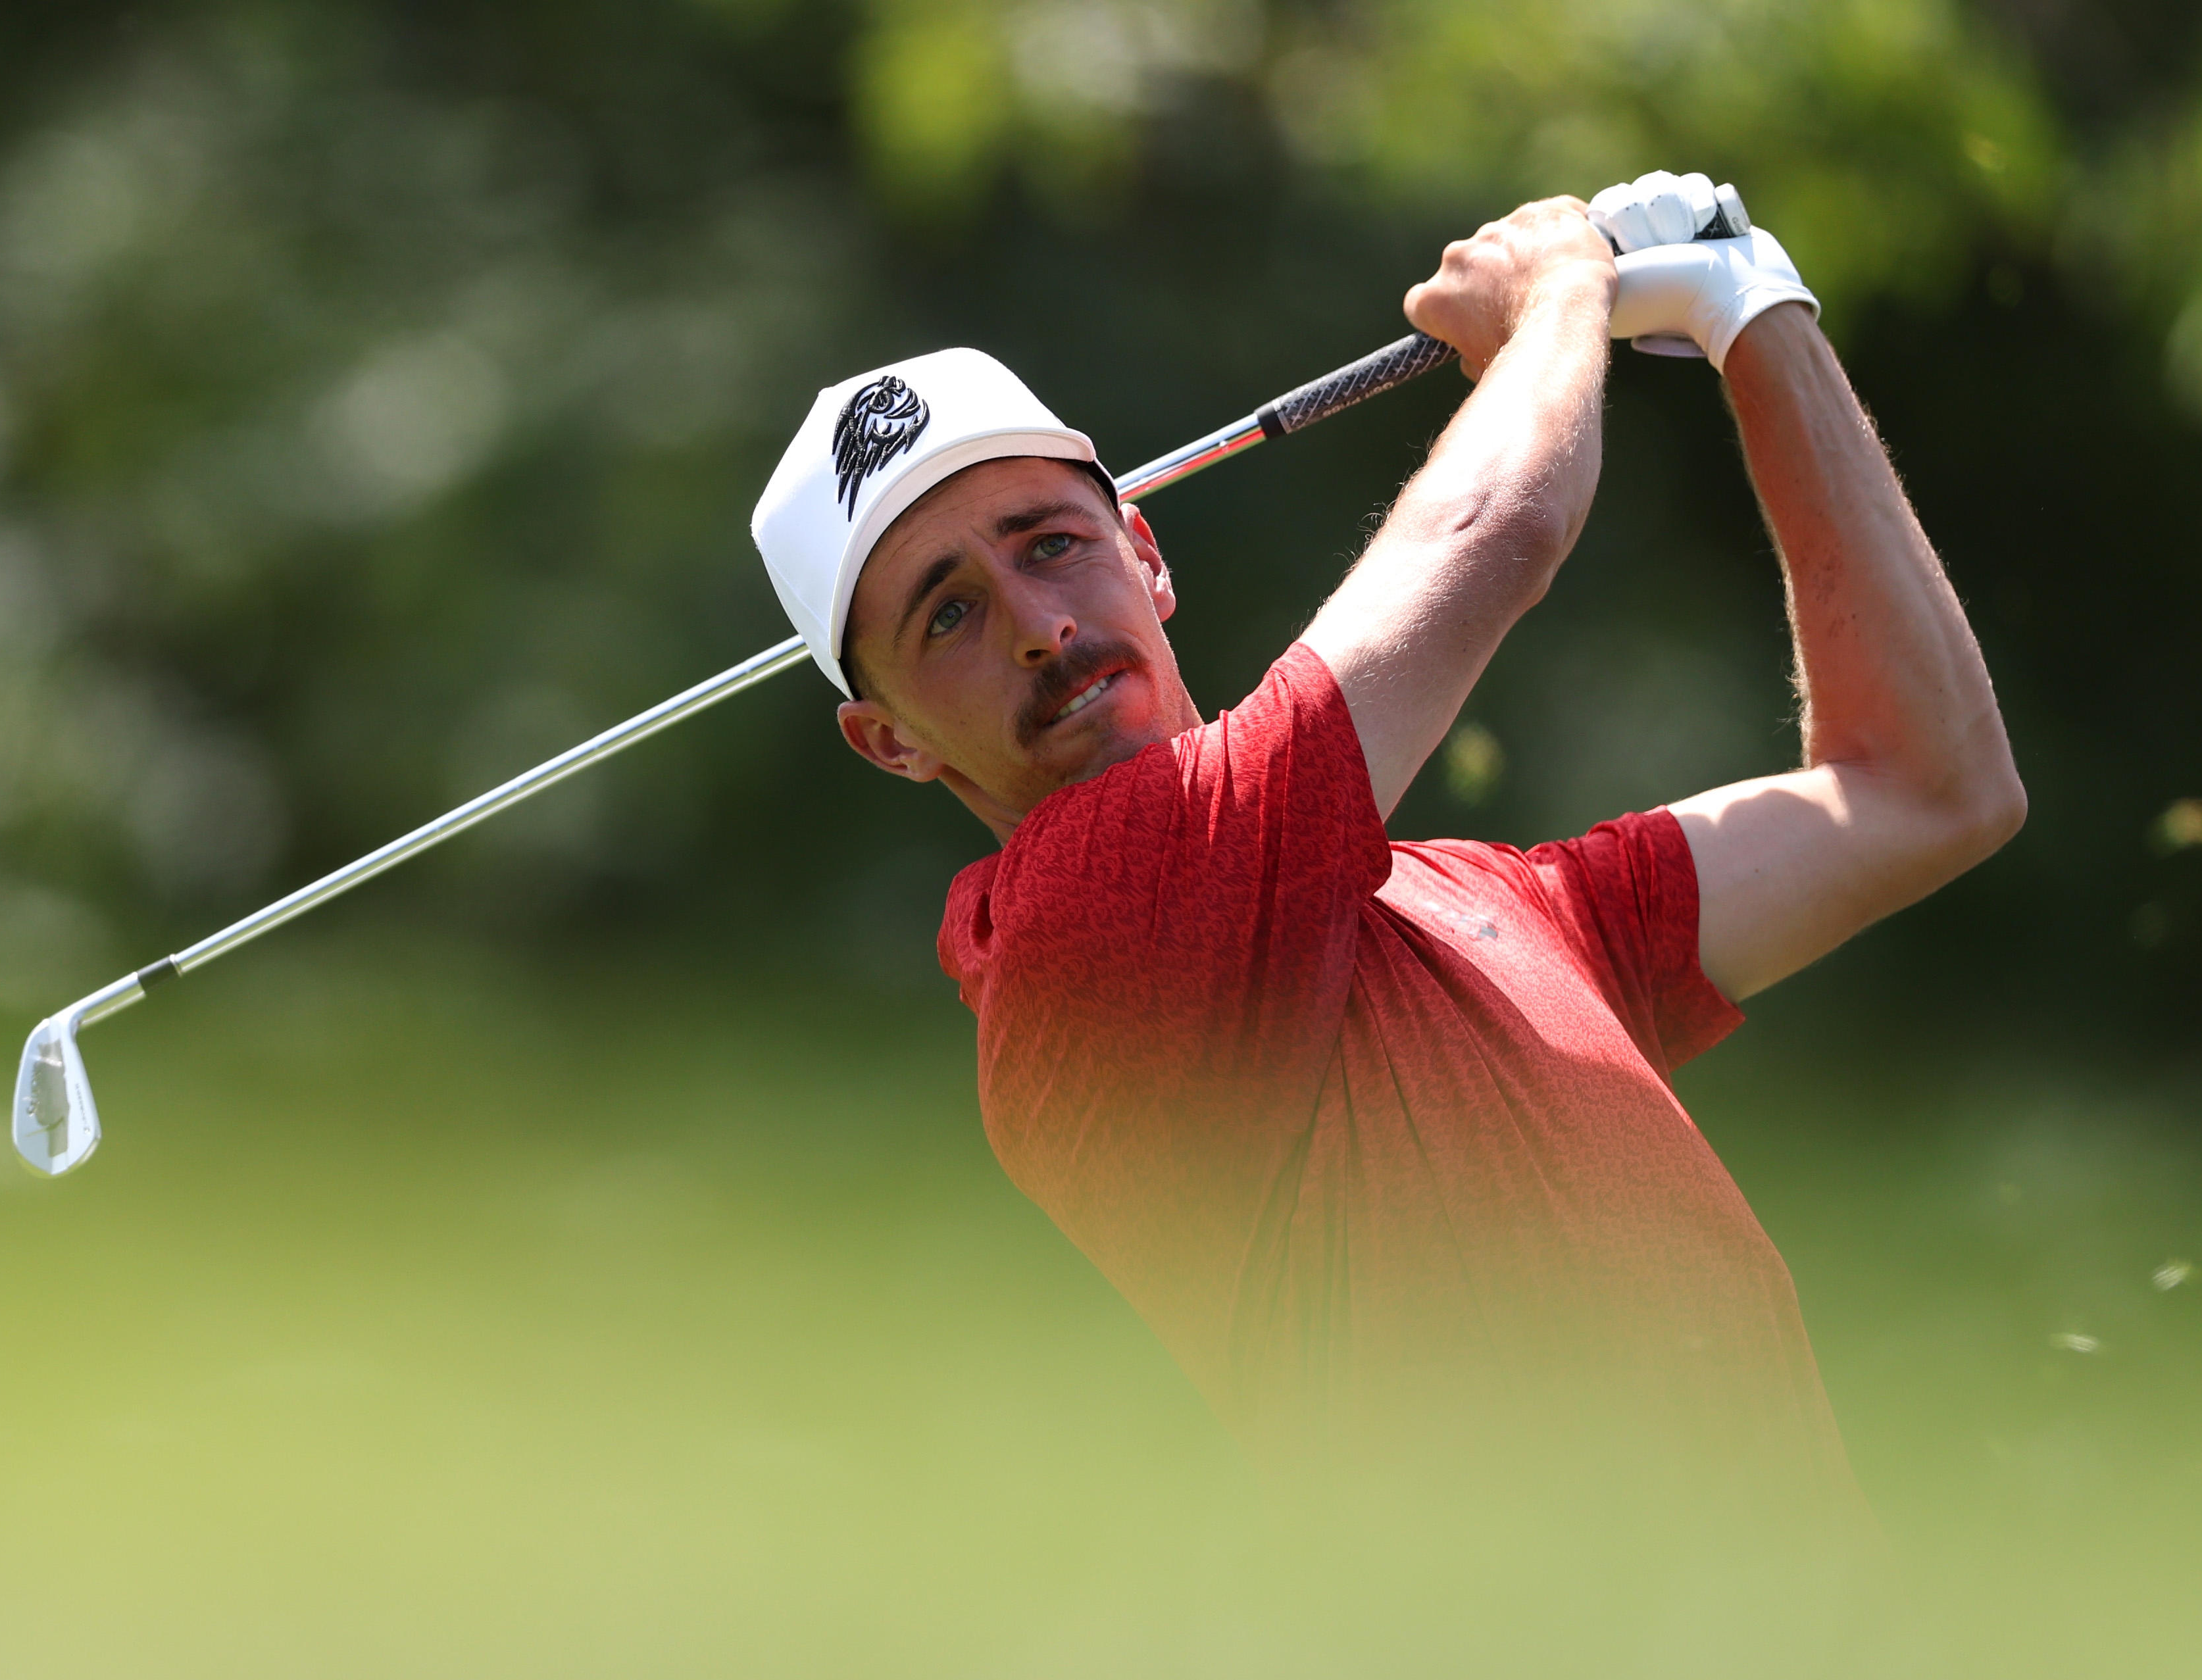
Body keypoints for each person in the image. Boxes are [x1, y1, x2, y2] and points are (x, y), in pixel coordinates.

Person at [751, 173, 2024, 1581]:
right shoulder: (1078, 934)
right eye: (950, 614)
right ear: (888, 745)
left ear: (1145, 553)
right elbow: (1495, 533)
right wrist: (1557, 296)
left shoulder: (1477, 898)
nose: (1042, 627)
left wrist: (1759, 312)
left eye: (1052, 543)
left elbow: (1927, 789)